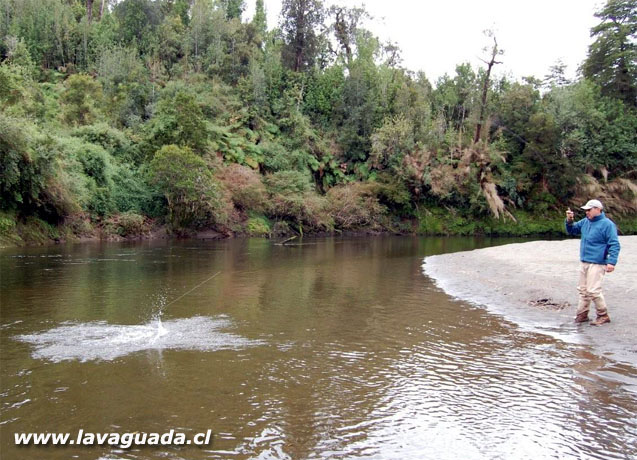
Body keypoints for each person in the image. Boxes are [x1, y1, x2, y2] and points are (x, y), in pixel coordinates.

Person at [565, 199, 620, 326]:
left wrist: (611, 262)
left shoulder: (607, 224)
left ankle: (603, 315)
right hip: (584, 260)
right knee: (583, 290)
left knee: (593, 290)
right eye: (586, 210)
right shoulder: (585, 222)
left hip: (598, 262)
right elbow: (572, 230)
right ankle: (582, 315)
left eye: (589, 210)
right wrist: (569, 220)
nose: (586, 213)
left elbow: (614, 244)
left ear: (598, 209)